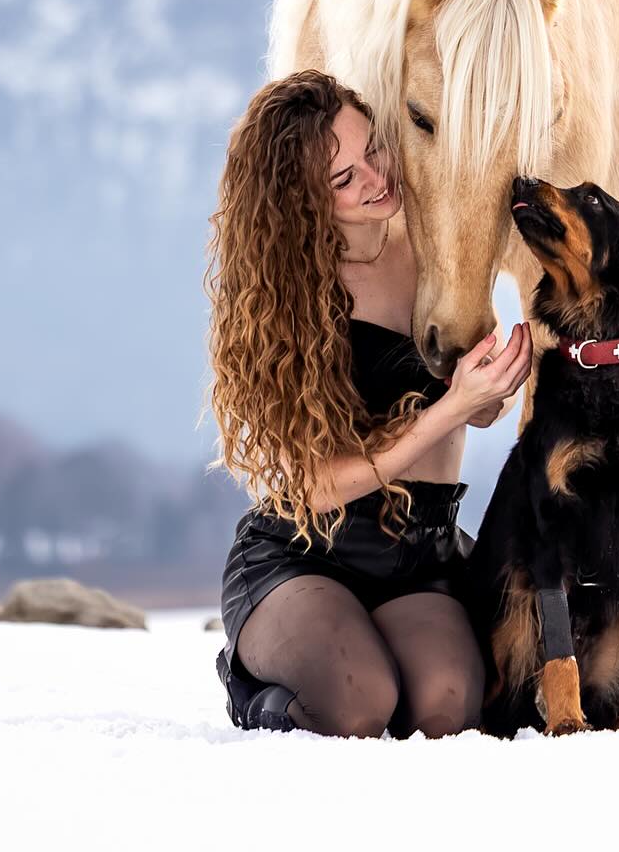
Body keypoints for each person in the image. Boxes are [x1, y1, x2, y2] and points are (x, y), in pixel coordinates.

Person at [205, 69, 533, 738]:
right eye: (343, 180)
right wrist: (445, 412)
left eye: (373, 150)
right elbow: (313, 485)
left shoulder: (432, 239)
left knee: (446, 709)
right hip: (308, 554)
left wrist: (490, 388)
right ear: (303, 203)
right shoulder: (285, 297)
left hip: (421, 550)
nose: (376, 178)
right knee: (357, 704)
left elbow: (478, 408)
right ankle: (256, 693)